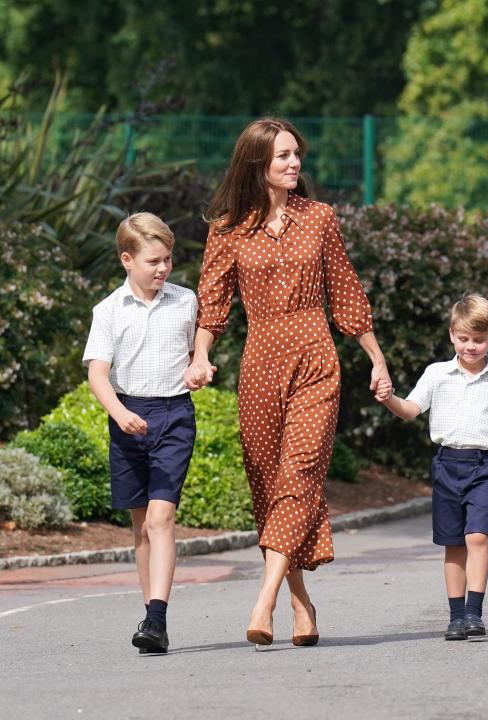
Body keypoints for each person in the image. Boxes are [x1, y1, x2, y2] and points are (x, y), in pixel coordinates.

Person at [185, 118, 392, 647]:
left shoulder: (319, 218)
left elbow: (345, 292)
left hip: (315, 358)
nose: (295, 163)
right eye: (282, 156)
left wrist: (376, 359)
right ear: (258, 164)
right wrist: (201, 358)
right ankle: (303, 605)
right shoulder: (228, 228)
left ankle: (264, 600)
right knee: (271, 486)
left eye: (296, 154)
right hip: (259, 367)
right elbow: (212, 305)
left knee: (299, 473)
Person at [378, 294, 488, 640]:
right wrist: (388, 398)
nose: (471, 346)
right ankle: (457, 616)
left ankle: (475, 612)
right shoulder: (437, 374)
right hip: (447, 465)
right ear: (452, 335)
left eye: (478, 339)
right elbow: (411, 409)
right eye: (464, 339)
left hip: (485, 466)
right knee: (453, 544)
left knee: (477, 536)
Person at [83, 213, 198, 654]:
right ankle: (153, 618)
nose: (162, 269)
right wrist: (118, 412)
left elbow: (195, 351)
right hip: (127, 416)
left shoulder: (185, 301)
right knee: (141, 530)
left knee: (160, 518)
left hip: (173, 416)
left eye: (168, 259)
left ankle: (156, 618)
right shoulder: (109, 310)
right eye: (153, 261)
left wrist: (198, 366)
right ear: (127, 260)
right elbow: (98, 373)